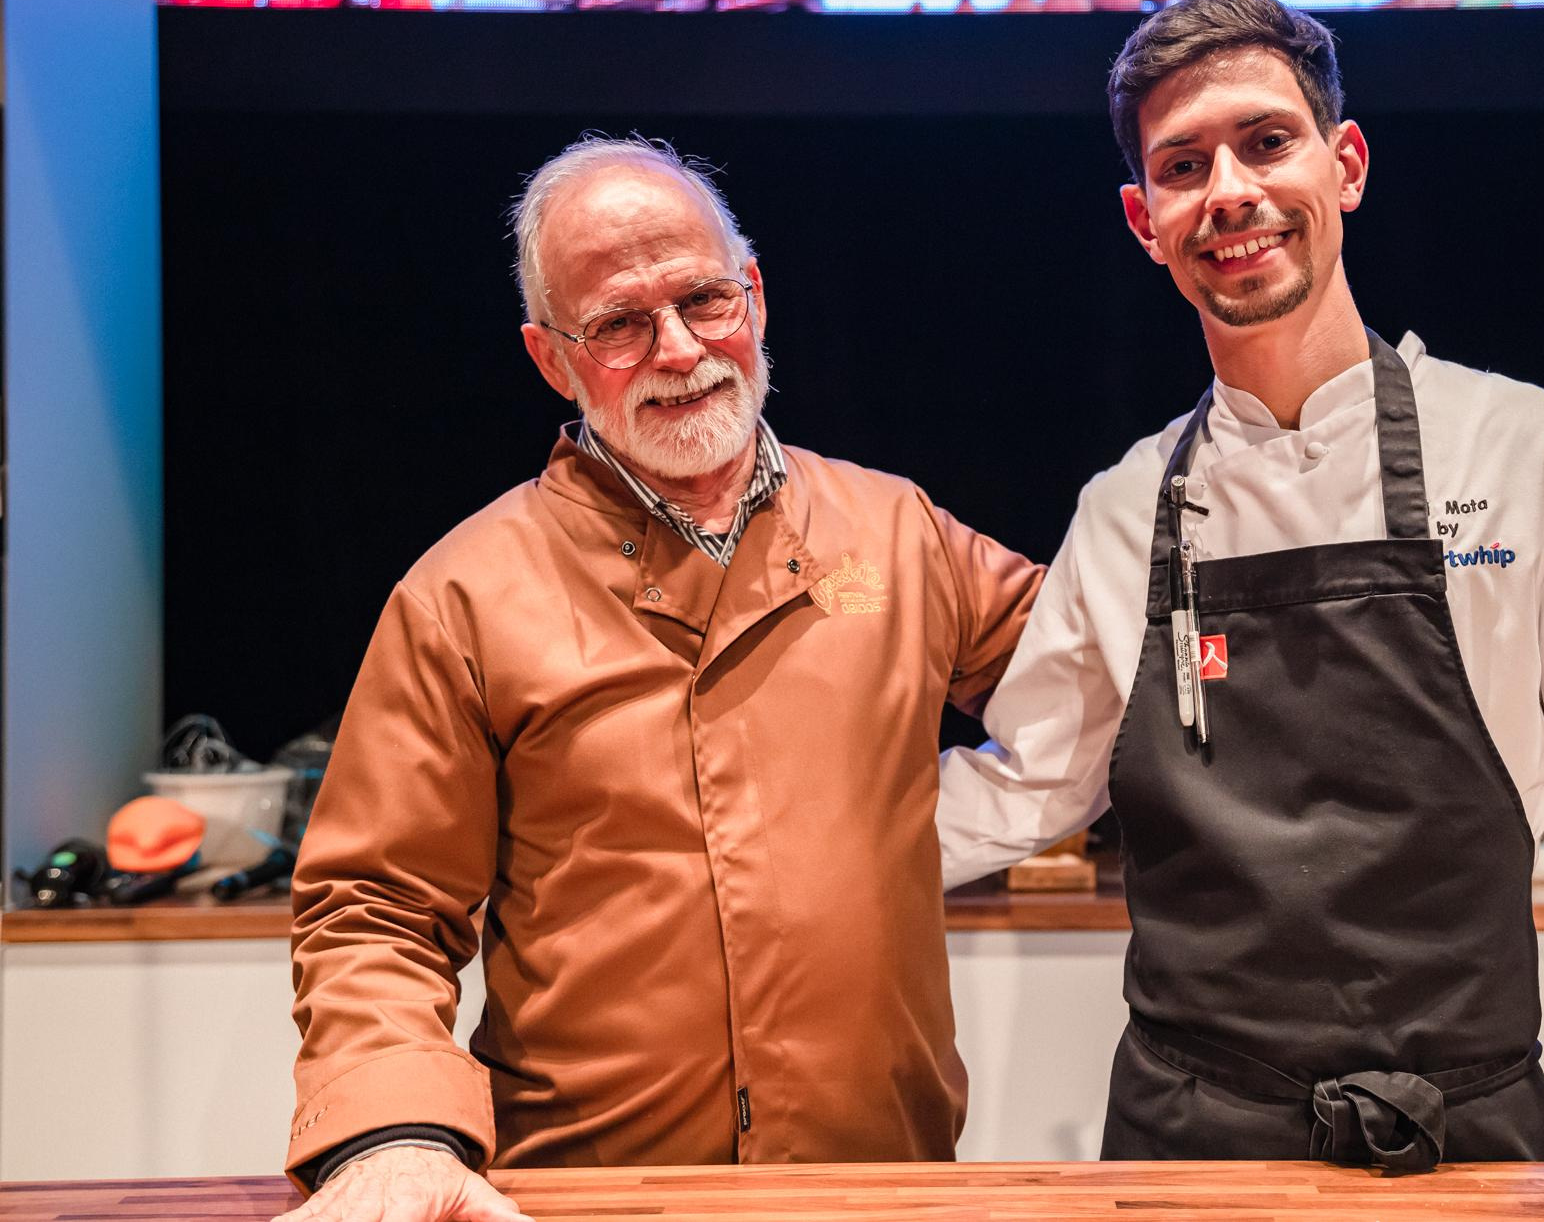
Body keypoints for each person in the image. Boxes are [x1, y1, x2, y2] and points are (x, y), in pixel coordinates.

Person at [937, 0, 1544, 1167]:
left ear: (1343, 164)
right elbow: (1029, 783)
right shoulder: (1125, 507)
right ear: (1143, 219)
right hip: (1187, 1145)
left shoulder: (1537, 456)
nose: (1227, 192)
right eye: (1182, 165)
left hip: (1463, 1139)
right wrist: (767, 853)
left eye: (1265, 142)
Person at [279, 134, 1042, 1222]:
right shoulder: (463, 593)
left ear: (755, 297)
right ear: (552, 358)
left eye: (703, 299)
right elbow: (375, 907)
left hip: (882, 1183)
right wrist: (393, 1135)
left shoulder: (897, 530)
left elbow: (1103, 678)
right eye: (619, 325)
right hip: (583, 1196)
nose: (679, 350)